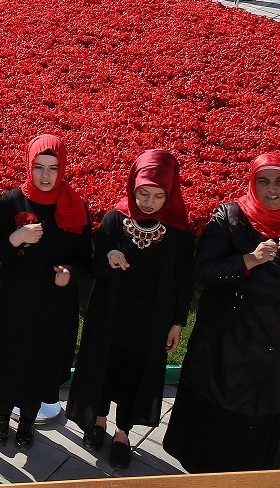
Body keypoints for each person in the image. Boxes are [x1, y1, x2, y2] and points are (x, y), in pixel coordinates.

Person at [164, 152, 280, 473]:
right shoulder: (230, 217)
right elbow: (202, 271)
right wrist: (248, 260)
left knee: (258, 444)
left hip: (278, 351)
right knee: (213, 439)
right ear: (252, 183)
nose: (272, 190)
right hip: (226, 347)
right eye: (263, 181)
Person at [67, 150, 194, 471]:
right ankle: (98, 421)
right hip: (110, 315)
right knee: (106, 368)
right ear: (132, 187)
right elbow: (94, 265)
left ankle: (123, 433)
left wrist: (178, 322)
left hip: (151, 321)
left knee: (134, 375)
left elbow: (184, 281)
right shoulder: (115, 220)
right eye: (143, 193)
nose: (149, 202)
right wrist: (109, 257)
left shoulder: (178, 233)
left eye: (157, 195)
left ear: (169, 194)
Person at [0, 135, 91, 450]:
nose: (45, 176)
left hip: (52, 301)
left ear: (62, 169)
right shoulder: (11, 202)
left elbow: (83, 258)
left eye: (52, 168)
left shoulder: (76, 207)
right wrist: (16, 237)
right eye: (39, 167)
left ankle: (27, 422)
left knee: (41, 359)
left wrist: (70, 274)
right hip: (11, 297)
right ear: (29, 166)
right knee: (7, 357)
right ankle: (1, 415)